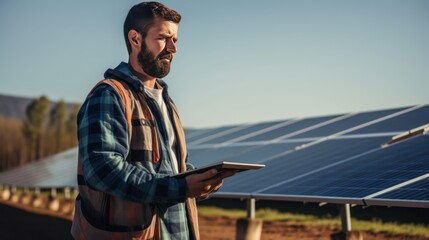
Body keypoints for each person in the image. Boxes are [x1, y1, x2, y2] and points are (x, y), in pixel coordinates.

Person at [71, 2, 235, 239]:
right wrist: (181, 187)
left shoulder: (167, 102)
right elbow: (102, 170)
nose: (173, 48)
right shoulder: (110, 95)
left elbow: (173, 168)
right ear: (135, 39)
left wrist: (201, 180)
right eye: (164, 38)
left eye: (175, 40)